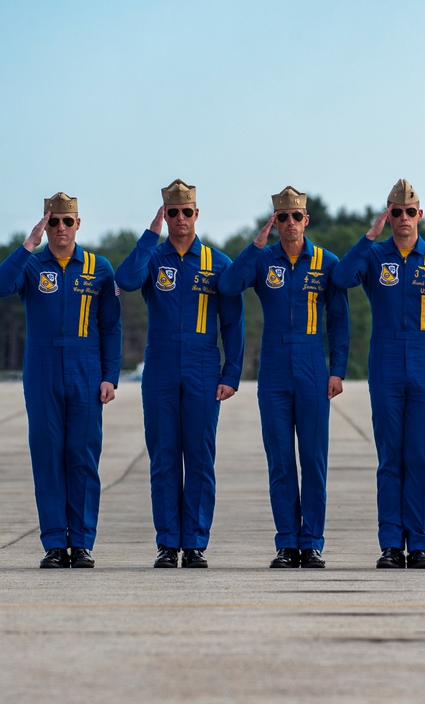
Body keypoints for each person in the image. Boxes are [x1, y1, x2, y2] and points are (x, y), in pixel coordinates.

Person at [331, 178, 425, 569]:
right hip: (385, 365)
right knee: (390, 459)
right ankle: (390, 542)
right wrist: (370, 235)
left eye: (409, 212)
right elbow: (340, 279)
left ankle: (418, 543)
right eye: (396, 213)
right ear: (388, 216)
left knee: (421, 457)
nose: (403, 219)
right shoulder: (374, 257)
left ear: (420, 215)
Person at [0, 192, 121, 569]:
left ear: (79, 223)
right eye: (53, 222)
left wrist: (110, 375)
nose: (60, 228)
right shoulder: (31, 265)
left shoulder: (99, 267)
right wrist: (28, 245)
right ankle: (53, 543)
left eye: (67, 221)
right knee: (47, 457)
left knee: (82, 457)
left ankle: (81, 542)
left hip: (86, 369)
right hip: (42, 369)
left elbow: (111, 327)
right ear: (45, 225)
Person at [115, 179, 244, 569]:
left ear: (197, 214)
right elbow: (125, 280)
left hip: (204, 367)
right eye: (173, 213)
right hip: (161, 368)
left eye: (187, 212)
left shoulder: (219, 264)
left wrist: (231, 373)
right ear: (165, 215)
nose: (181, 219)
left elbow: (233, 325)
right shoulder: (153, 260)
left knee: (200, 457)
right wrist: (149, 236)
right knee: (164, 457)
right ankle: (169, 543)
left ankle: (196, 542)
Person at [218, 186, 349, 569]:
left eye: (295, 217)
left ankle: (312, 543)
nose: (289, 224)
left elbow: (339, 322)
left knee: (313, 460)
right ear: (274, 222)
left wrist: (338, 370)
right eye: (281, 218)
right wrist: (257, 244)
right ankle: (286, 543)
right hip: (273, 368)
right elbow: (228, 285)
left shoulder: (326, 262)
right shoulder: (262, 261)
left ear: (306, 220)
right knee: (279, 461)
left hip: (312, 364)